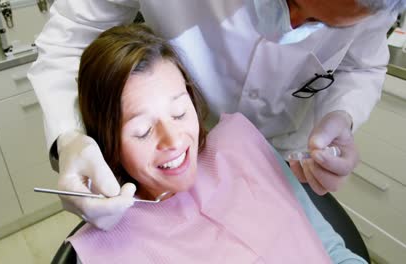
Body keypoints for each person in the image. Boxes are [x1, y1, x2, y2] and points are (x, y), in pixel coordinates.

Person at [27, 0, 406, 230]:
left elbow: (361, 65)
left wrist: (342, 114)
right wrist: (69, 136)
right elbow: (66, 43)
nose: (289, 25)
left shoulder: (375, 10)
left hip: (283, 161)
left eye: (319, 24)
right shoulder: (123, 232)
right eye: (142, 130)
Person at [66, 24, 366, 264]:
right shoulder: (108, 249)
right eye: (143, 131)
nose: (173, 140)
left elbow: (330, 249)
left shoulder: (243, 145)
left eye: (180, 112)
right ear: (107, 142)